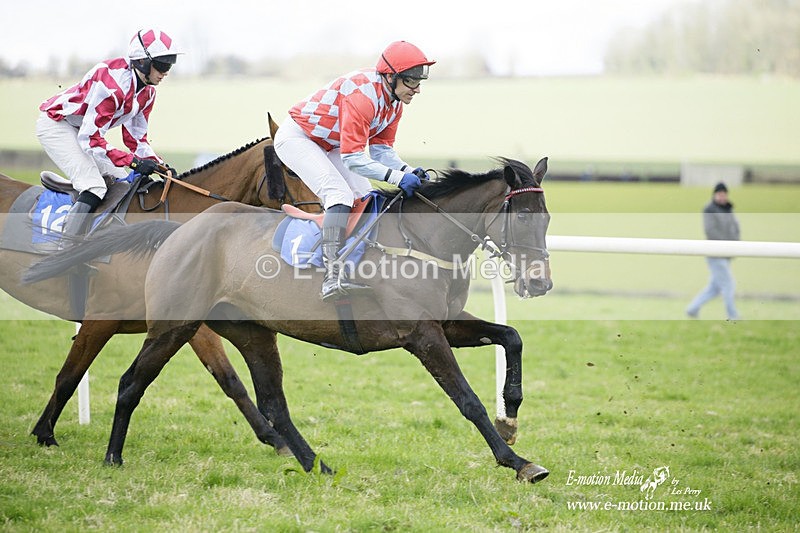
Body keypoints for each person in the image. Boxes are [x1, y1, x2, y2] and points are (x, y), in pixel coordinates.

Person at [274, 40, 435, 301]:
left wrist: (408, 170)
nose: (417, 89)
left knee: (365, 197)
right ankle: (331, 275)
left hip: (333, 143)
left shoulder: (394, 102)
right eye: (411, 82)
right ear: (391, 76)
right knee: (339, 195)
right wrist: (397, 177)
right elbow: (353, 158)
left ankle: (356, 266)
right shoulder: (363, 97)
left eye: (419, 83)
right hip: (299, 138)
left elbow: (382, 150)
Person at [36, 28, 181, 242]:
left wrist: (161, 167)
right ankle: (64, 251)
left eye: (169, 65)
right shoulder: (112, 86)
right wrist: (132, 162)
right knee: (94, 186)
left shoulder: (147, 93)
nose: (165, 72)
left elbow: (136, 140)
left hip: (83, 132)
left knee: (126, 184)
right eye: (161, 65)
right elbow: (91, 140)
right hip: (57, 125)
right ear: (141, 61)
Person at [686, 182, 741, 320]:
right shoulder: (709, 209)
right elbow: (711, 231)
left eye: (724, 194)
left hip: (726, 254)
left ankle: (692, 309)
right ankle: (733, 315)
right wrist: (727, 245)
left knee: (714, 288)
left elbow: (735, 227)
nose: (722, 197)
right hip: (716, 253)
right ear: (715, 195)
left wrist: (735, 244)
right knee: (728, 284)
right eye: (720, 194)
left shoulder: (728, 209)